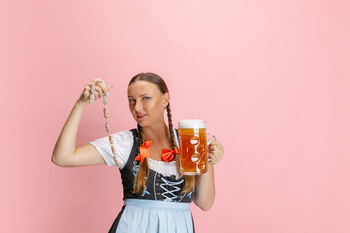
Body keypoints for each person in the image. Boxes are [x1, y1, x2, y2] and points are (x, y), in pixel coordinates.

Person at [51, 72, 224, 232]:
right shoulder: (125, 143)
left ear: (165, 100)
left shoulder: (188, 141)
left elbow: (205, 203)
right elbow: (62, 157)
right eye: (131, 100)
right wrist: (81, 103)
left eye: (146, 98)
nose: (137, 107)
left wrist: (208, 160)